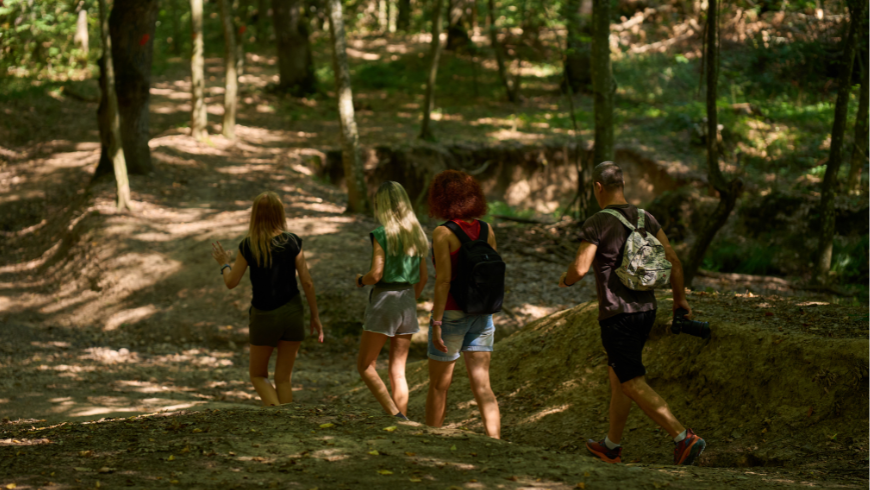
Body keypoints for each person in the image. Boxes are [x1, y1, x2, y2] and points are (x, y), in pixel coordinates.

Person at [559, 161, 706, 466]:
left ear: (598, 188)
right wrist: (680, 300)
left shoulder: (597, 222)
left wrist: (566, 279)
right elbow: (674, 260)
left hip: (618, 315)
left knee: (630, 381)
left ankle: (683, 437)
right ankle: (611, 446)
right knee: (619, 377)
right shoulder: (646, 218)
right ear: (622, 186)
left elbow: (580, 268)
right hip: (647, 310)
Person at [211, 191, 324, 407]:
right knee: (283, 378)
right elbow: (307, 282)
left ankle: (279, 417)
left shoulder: (248, 245)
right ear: (280, 214)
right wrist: (315, 317)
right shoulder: (293, 242)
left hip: (263, 316)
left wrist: (225, 263)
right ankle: (288, 422)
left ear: (255, 215)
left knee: (257, 375)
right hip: (293, 313)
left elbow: (231, 282)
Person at [426, 170, 501, 439]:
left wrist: (435, 322)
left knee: (438, 386)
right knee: (483, 386)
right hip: (482, 312)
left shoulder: (443, 233)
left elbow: (443, 281)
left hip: (451, 314)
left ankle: (431, 442)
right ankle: (496, 443)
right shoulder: (486, 229)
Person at [355, 182, 429, 420]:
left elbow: (376, 274)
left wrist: (360, 279)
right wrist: (409, 301)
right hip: (407, 300)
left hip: (385, 299)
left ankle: (396, 415)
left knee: (366, 365)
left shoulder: (382, 234)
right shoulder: (417, 234)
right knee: (398, 370)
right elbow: (425, 276)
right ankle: (403, 424)